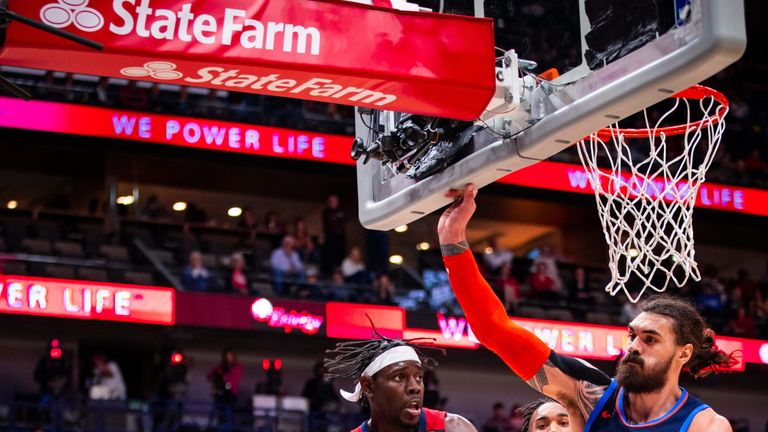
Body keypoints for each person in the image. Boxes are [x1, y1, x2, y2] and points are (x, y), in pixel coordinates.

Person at [437, 184, 736, 432]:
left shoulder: (705, 425)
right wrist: (453, 243)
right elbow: (494, 330)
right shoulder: (591, 396)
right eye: (633, 336)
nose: (633, 346)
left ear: (683, 353)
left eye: (650, 339)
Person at [325, 333, 477, 432]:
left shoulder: (454, 428)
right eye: (399, 377)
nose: (415, 387)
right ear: (368, 386)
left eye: (418, 377)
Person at [207, 349, 243, 431]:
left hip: (230, 396)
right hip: (219, 395)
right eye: (226, 357)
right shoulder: (220, 367)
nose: (228, 358)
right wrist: (217, 376)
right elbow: (209, 376)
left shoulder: (237, 367)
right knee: (217, 415)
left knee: (228, 416)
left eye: (230, 356)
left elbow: (234, 381)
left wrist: (224, 377)